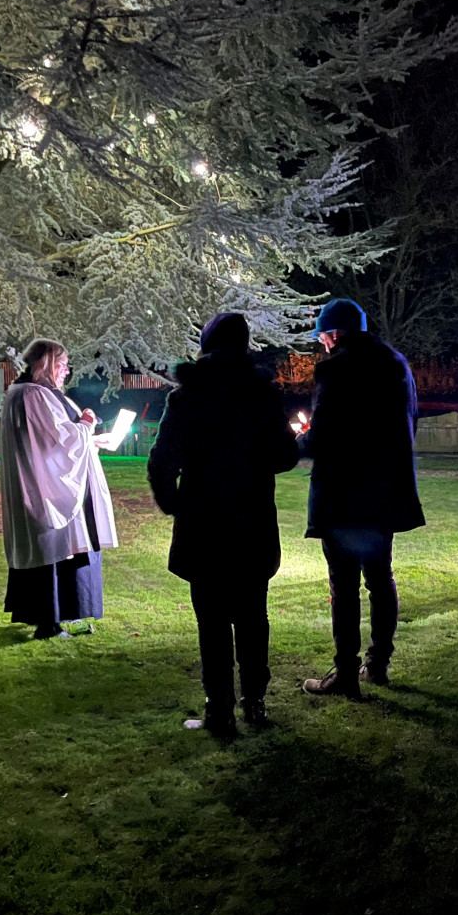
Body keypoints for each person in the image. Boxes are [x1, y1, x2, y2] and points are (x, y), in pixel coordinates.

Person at [148, 314, 300, 735]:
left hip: (204, 523)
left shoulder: (188, 396)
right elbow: (285, 458)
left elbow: (162, 460)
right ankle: (255, 702)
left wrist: (176, 504)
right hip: (251, 520)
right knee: (253, 616)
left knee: (211, 620)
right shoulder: (263, 396)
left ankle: (220, 709)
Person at [297, 298, 425, 698]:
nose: (323, 345)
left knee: (344, 584)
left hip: (344, 493)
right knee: (380, 578)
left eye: (323, 338)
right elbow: (409, 421)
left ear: (333, 334)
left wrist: (297, 439)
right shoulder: (396, 363)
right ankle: (378, 664)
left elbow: (325, 436)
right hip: (385, 491)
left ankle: (346, 673)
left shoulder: (337, 367)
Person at [0, 338, 120, 640]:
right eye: (62, 364)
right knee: (53, 551)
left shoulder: (30, 394)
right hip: (48, 491)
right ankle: (48, 622)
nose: (66, 370)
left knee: (60, 553)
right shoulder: (33, 395)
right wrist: (87, 424)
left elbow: (49, 440)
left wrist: (92, 440)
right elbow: (58, 439)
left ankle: (58, 618)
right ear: (47, 363)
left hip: (47, 483)